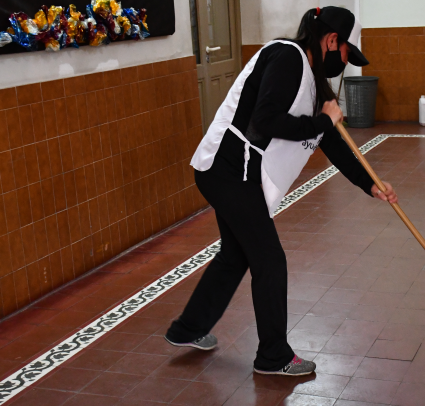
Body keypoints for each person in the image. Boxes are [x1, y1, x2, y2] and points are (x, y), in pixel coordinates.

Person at [165, 6, 398, 376]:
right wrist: (324, 119)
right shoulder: (288, 58)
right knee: (269, 260)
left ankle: (187, 328)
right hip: (228, 170)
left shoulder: (310, 75)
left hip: (229, 172)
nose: (343, 62)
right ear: (331, 40)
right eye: (344, 53)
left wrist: (369, 183)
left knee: (236, 254)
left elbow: (331, 142)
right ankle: (273, 356)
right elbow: (266, 120)